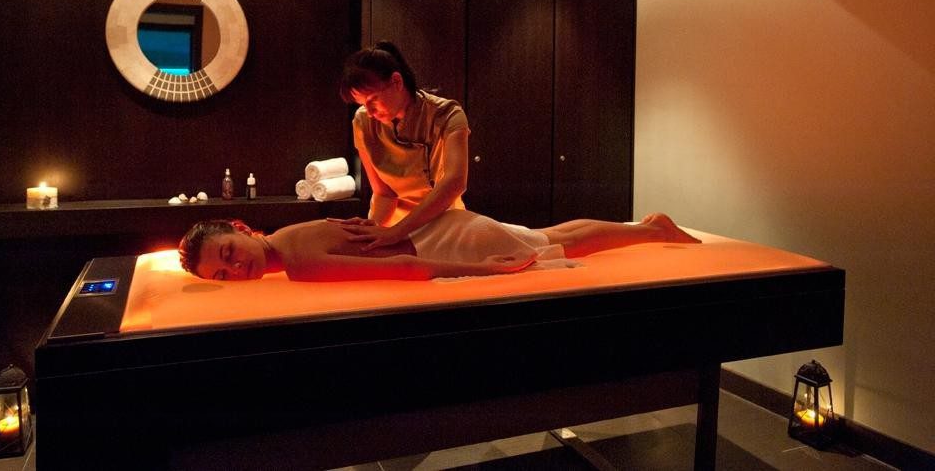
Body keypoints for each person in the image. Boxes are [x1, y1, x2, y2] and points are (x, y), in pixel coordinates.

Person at [178, 209, 701, 282]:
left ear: (241, 230)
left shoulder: (298, 262)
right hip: (440, 229)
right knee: (552, 235)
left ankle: (653, 231)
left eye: (227, 254)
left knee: (557, 244)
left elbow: (406, 269)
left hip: (447, 241)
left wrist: (490, 271)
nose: (236, 269)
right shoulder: (288, 235)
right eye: (222, 275)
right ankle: (645, 226)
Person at [336, 41, 470, 252]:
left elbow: (455, 182)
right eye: (362, 104)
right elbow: (384, 193)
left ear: (397, 82)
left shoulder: (447, 115)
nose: (369, 111)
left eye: (373, 99)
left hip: (445, 224)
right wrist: (374, 228)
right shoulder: (363, 122)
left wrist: (397, 232)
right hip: (393, 226)